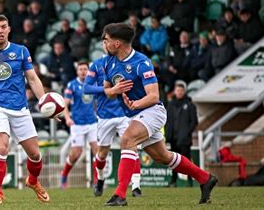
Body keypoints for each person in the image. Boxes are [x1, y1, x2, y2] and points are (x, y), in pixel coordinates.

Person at [101, 23, 217, 206]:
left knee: (127, 139)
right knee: (163, 157)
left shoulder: (141, 63)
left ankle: (120, 195)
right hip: (134, 115)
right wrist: (114, 90)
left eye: (105, 40)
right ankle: (205, 178)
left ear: (117, 43)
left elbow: (154, 96)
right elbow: (107, 91)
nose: (103, 43)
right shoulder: (108, 62)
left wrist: (136, 103)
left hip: (152, 111)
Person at [0, 15, 50, 204]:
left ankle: (32, 181)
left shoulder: (21, 52)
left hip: (20, 108)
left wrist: (45, 102)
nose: (0, 30)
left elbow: (32, 79)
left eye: (3, 27)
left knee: (35, 155)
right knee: (2, 147)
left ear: (8, 29)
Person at [83, 41, 142, 198]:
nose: (107, 45)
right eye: (104, 42)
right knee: (102, 153)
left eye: (109, 41)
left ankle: (136, 186)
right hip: (104, 116)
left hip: (124, 114)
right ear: (103, 45)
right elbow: (86, 88)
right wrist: (109, 90)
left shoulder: (125, 63)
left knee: (132, 147)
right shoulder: (97, 65)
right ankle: (101, 179)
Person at [60, 62, 98, 189]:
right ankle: (64, 175)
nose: (83, 71)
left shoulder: (92, 83)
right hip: (77, 124)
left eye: (85, 69)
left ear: (88, 71)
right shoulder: (72, 84)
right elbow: (65, 103)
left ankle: (96, 180)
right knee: (76, 154)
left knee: (97, 151)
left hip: (92, 122)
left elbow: (96, 102)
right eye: (80, 69)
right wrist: (67, 118)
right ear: (77, 72)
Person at [165, 80, 198, 187]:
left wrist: (186, 133)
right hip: (173, 138)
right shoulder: (170, 105)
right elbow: (167, 121)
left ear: (184, 92)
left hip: (184, 139)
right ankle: (173, 181)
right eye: (177, 90)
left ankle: (190, 181)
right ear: (175, 91)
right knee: (173, 161)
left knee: (187, 161)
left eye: (181, 90)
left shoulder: (190, 105)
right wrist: (168, 135)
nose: (179, 92)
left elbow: (194, 121)